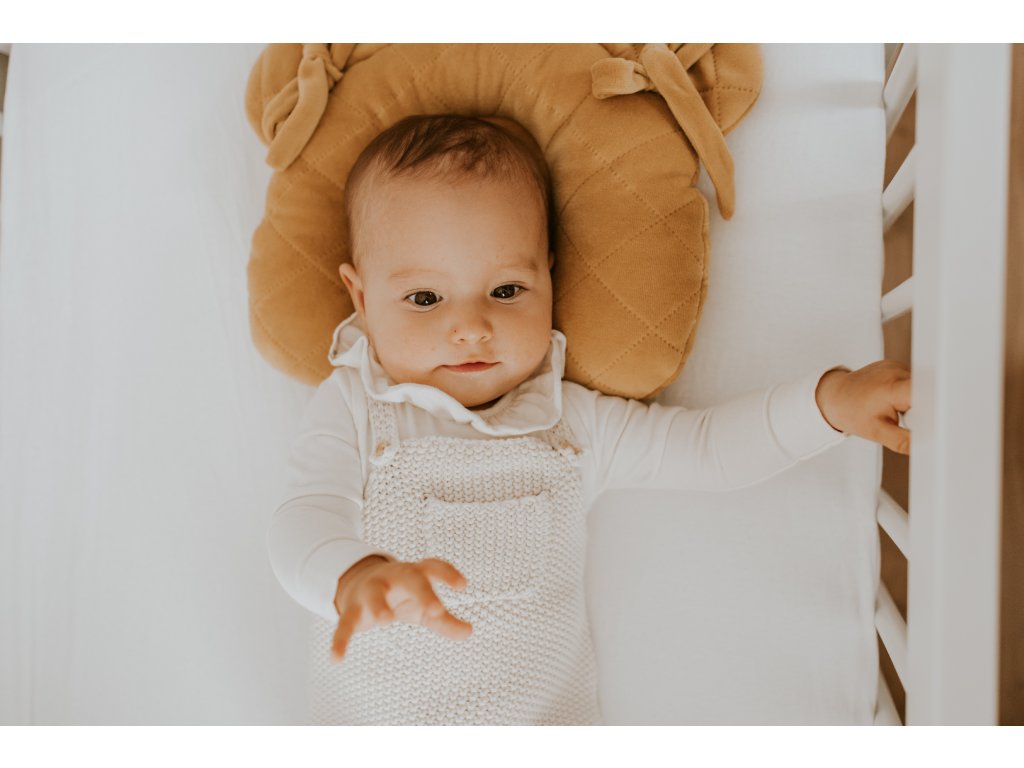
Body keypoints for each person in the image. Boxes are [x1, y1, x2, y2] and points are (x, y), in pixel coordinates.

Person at [266, 113, 912, 725]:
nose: (471, 327)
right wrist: (351, 575)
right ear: (361, 297)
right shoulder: (357, 408)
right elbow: (303, 519)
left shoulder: (570, 427)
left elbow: (706, 450)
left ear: (549, 278)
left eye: (506, 291)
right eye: (425, 298)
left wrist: (827, 406)